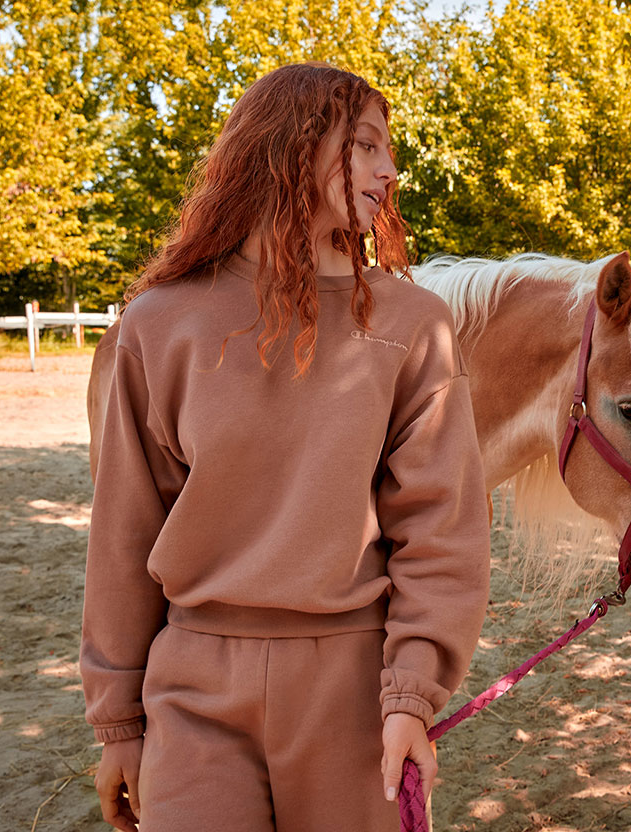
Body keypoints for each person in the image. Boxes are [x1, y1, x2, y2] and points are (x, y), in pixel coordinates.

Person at [81, 63, 491, 831]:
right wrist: (118, 724)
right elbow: (123, 535)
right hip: (192, 691)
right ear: (289, 149)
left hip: (352, 693)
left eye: (388, 151)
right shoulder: (160, 325)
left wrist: (412, 694)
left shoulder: (413, 326)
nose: (388, 170)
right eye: (364, 146)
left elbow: (441, 531)